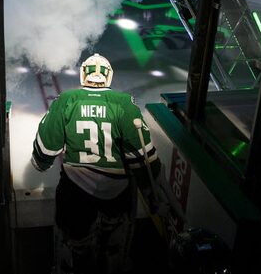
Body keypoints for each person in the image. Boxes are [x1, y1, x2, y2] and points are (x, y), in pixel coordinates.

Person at [31, 53, 164, 274]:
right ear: (108, 77)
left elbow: (45, 149)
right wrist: (151, 190)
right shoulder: (124, 103)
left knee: (74, 244)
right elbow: (142, 157)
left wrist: (40, 163)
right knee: (114, 248)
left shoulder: (65, 100)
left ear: (84, 75)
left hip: (75, 189)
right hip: (117, 192)